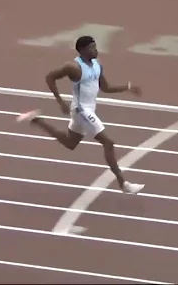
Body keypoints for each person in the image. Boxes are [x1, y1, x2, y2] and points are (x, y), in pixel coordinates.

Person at [16, 36, 145, 194]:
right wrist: (60, 101)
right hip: (81, 110)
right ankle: (123, 183)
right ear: (83, 50)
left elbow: (105, 87)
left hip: (89, 109)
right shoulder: (73, 67)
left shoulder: (97, 65)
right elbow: (50, 77)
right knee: (108, 143)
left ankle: (36, 120)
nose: (96, 50)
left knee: (70, 143)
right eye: (93, 47)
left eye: (96, 47)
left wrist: (128, 87)